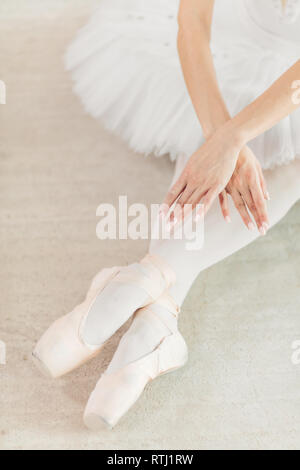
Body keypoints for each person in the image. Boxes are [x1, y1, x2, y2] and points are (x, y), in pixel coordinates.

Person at [33, 0, 300, 429]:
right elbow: (193, 19)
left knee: (275, 153)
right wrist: (224, 137)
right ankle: (152, 321)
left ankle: (143, 285)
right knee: (212, 119)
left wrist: (233, 135)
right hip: (240, 40)